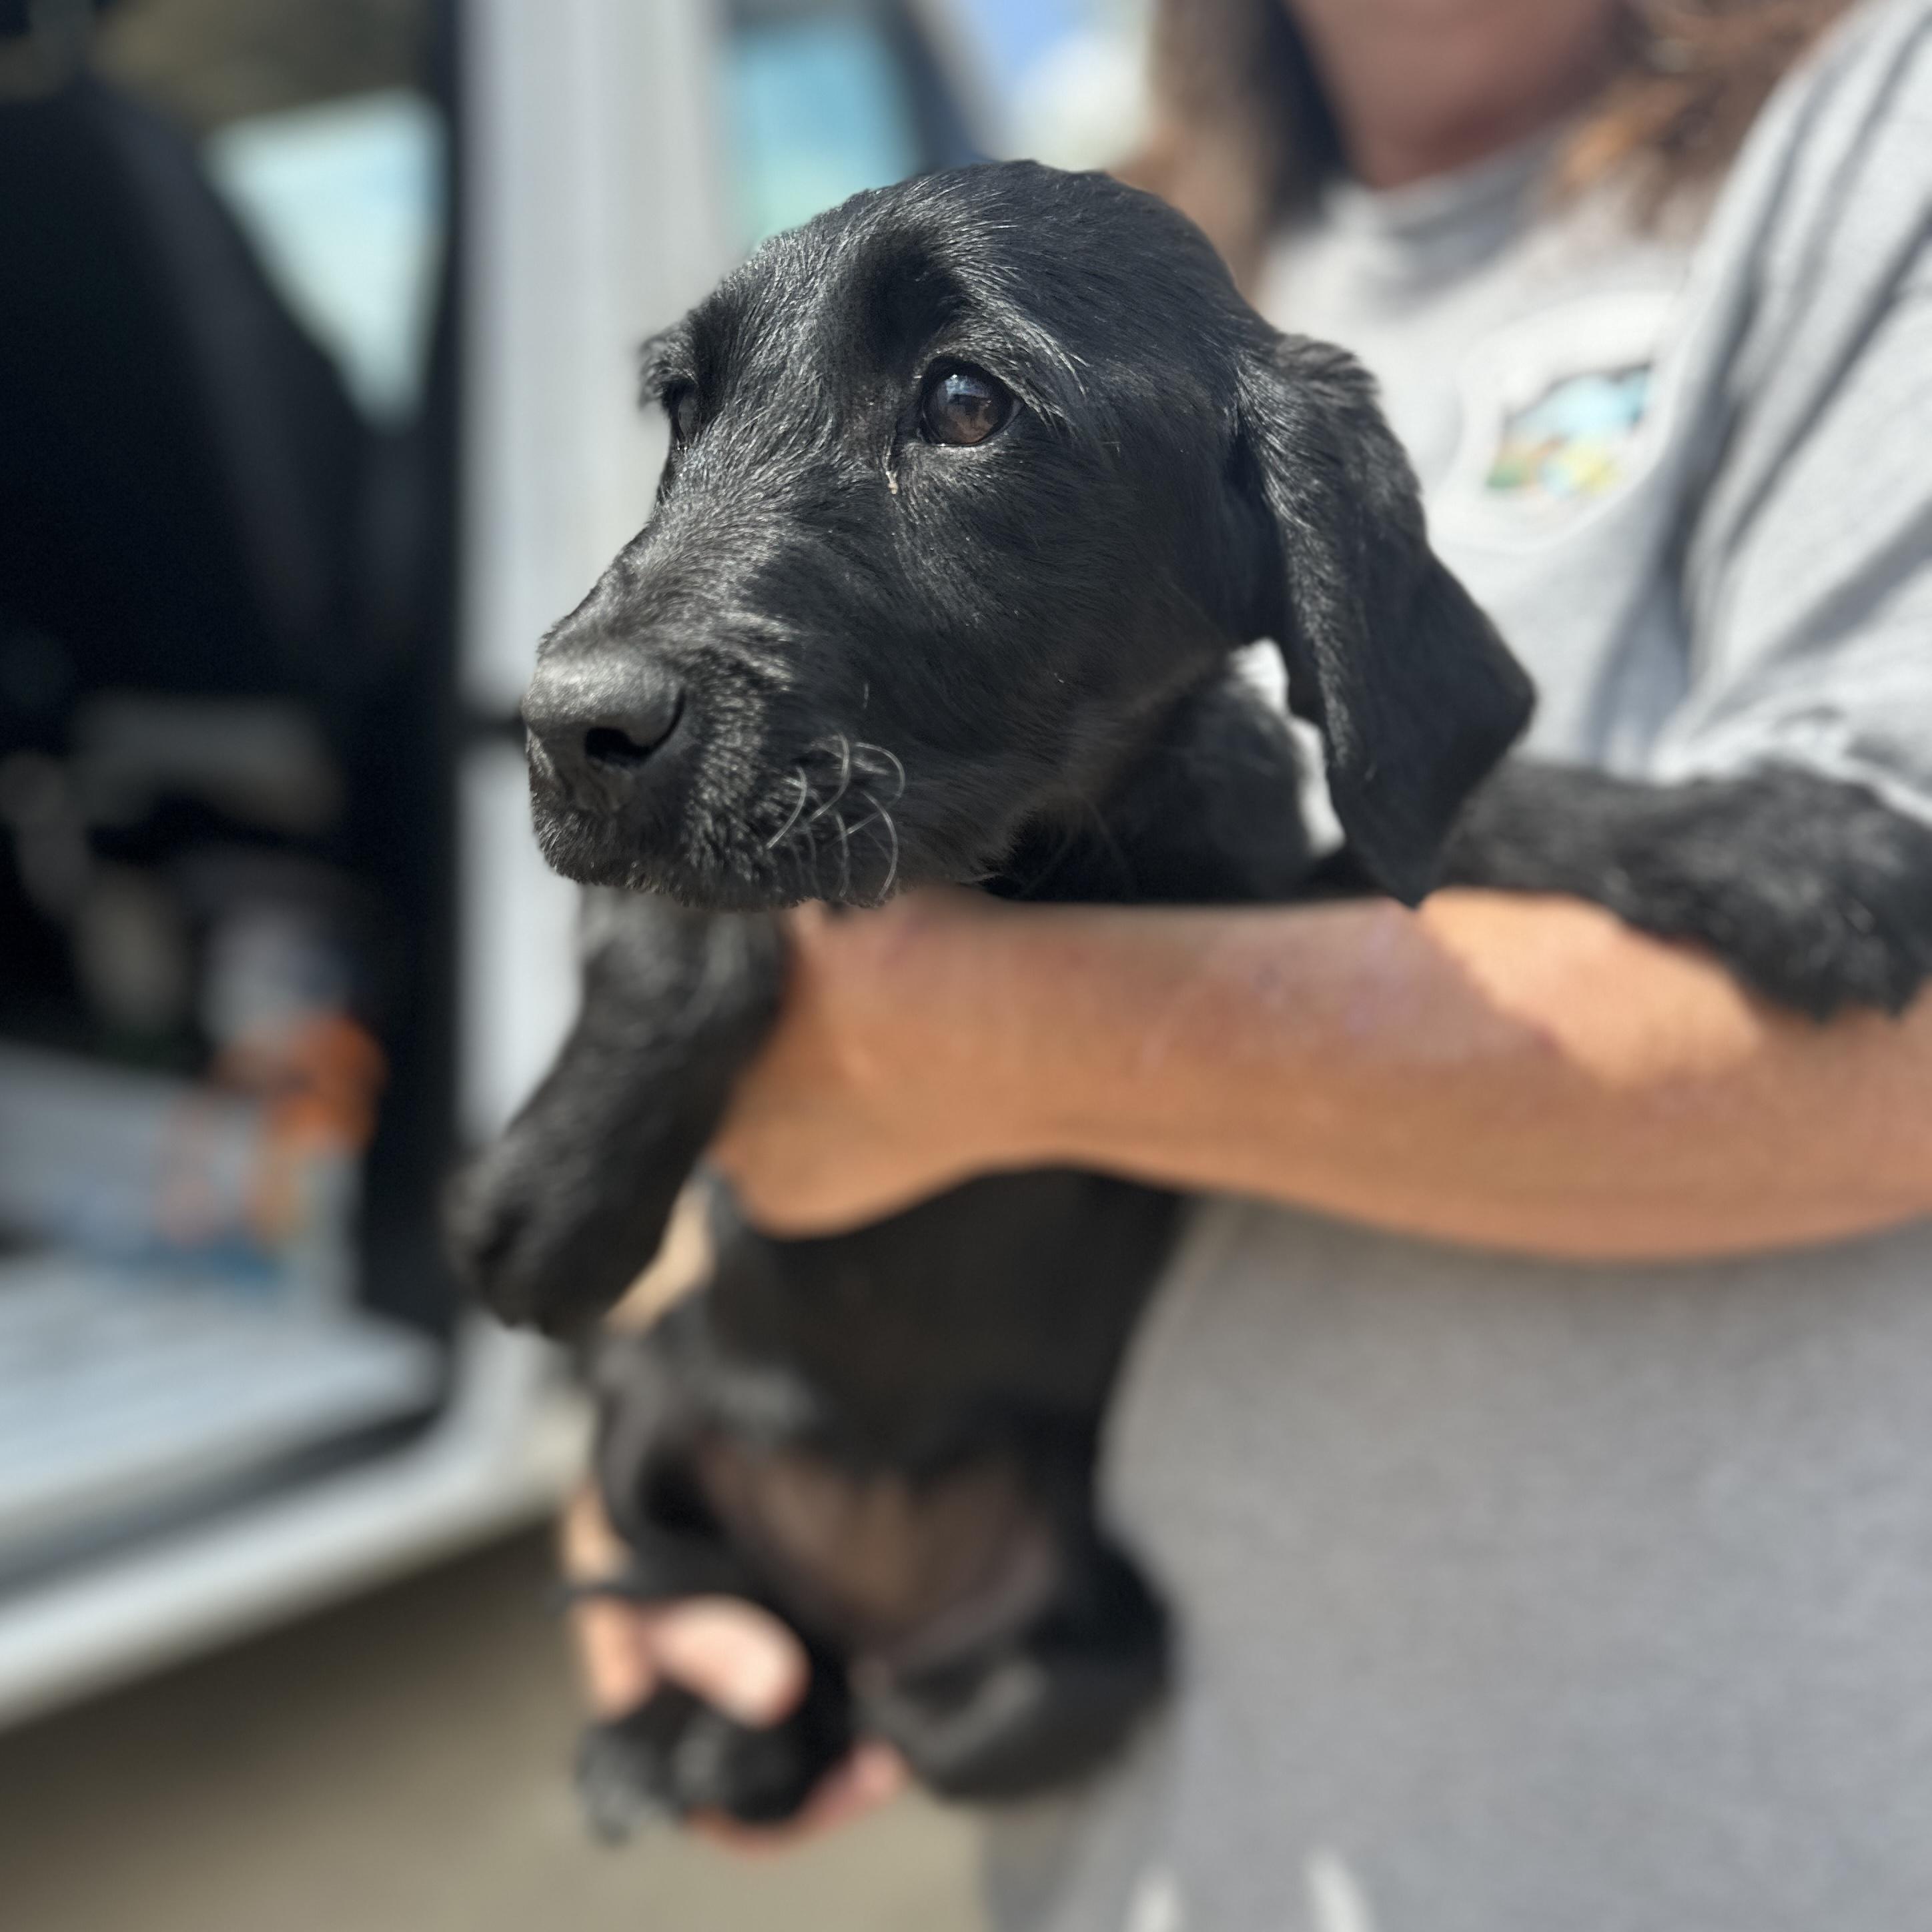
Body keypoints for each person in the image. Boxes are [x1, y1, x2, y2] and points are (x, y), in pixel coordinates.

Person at [567, 1, 1932, 1923]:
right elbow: (780, 1034)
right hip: (1131, 1817)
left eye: (957, 411)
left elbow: (1904, 1024)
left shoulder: (1879, 127)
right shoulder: (1129, 230)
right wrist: (677, 1438)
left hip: (1684, 1841)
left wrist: (954, 1043)